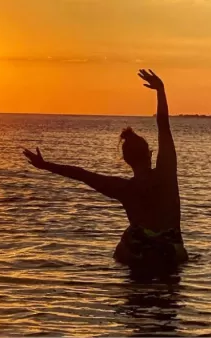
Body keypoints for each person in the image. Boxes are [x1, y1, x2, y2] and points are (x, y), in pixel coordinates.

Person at [22, 70, 187, 270]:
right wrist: (160, 90)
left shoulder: (124, 189)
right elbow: (163, 126)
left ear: (126, 160)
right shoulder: (166, 172)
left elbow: (81, 174)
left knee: (129, 241)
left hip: (140, 255)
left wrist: (45, 165)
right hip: (170, 253)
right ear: (150, 154)